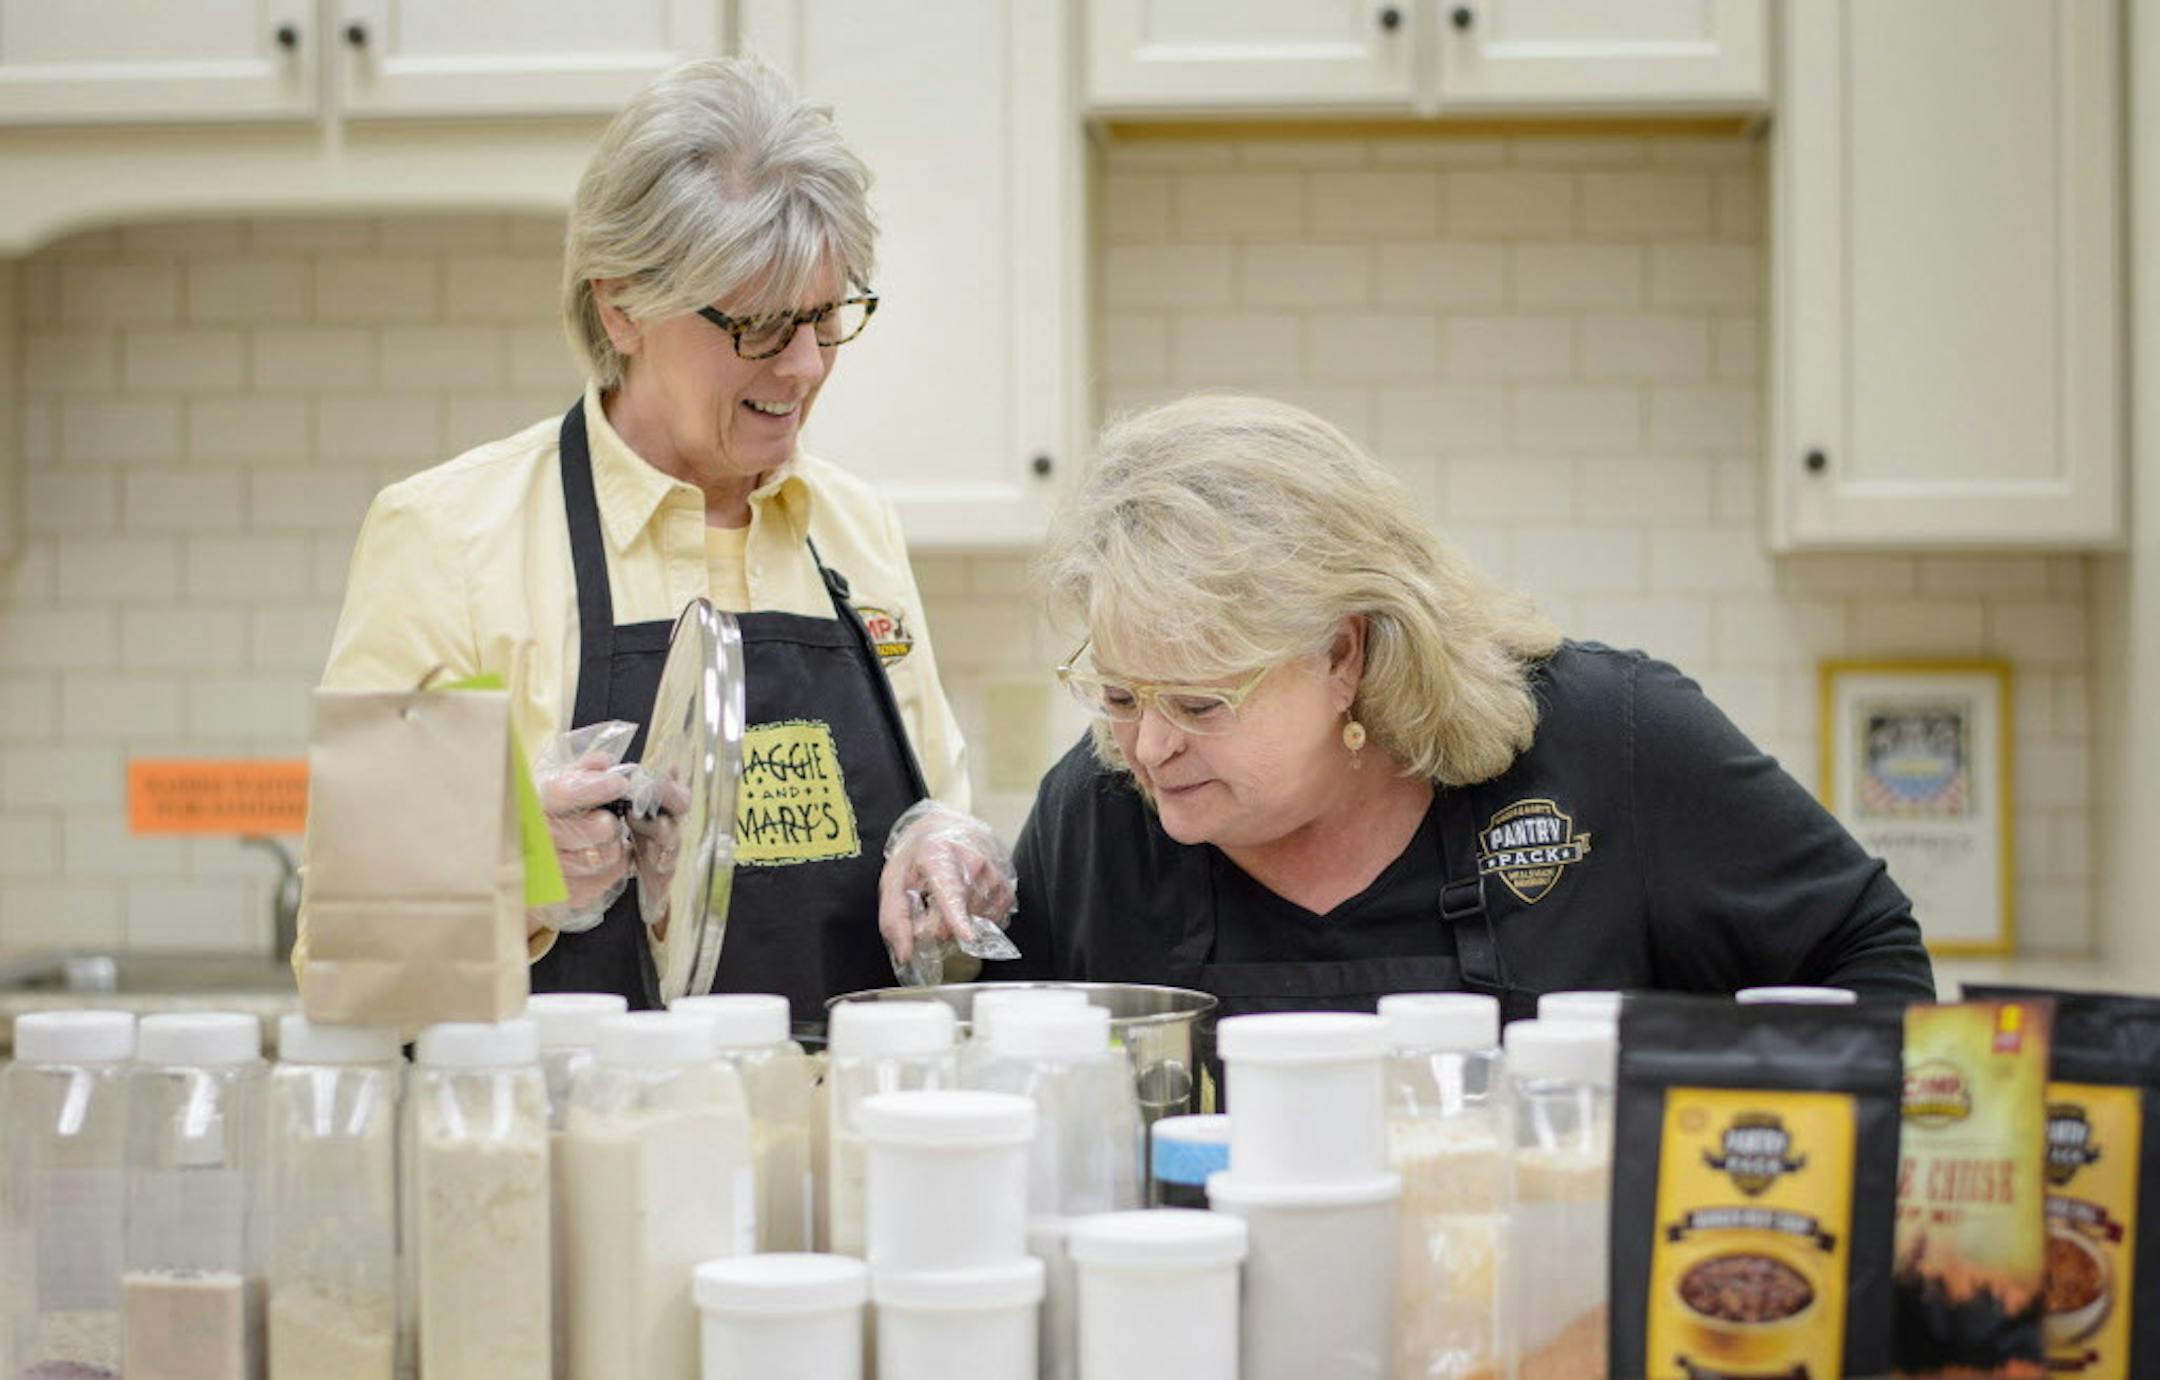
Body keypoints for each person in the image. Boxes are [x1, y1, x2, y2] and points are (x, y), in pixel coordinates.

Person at [303, 58, 1007, 1018]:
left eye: (827, 317)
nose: (803, 367)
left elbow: (938, 819)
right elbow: (348, 964)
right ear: (620, 306)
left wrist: (946, 871)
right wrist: (514, 878)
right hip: (580, 1150)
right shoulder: (451, 542)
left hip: (838, 1146)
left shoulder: (853, 530)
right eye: (757, 325)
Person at [972, 394, 1934, 1019]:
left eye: (1200, 701)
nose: (1148, 745)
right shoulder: (1094, 820)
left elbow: (1864, 952)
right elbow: (1002, 1081)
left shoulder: (1611, 744)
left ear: (1344, 653)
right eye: (1119, 693)